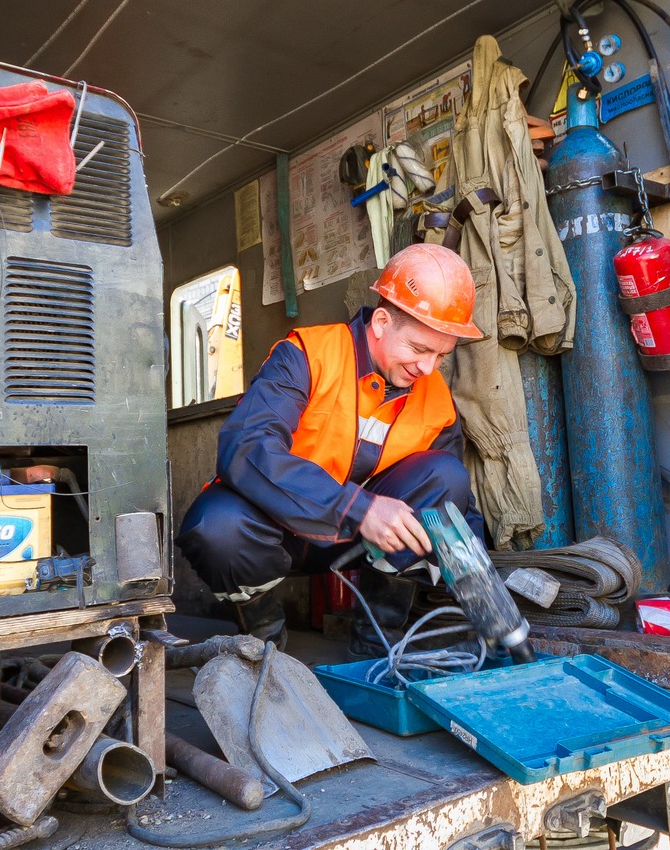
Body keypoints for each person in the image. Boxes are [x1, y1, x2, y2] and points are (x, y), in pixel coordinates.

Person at [176, 243, 487, 644]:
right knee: (215, 527)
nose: (427, 367)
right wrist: (359, 509)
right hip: (277, 528)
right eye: (418, 348)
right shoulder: (306, 355)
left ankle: (379, 641)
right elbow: (245, 447)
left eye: (441, 355)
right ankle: (263, 643)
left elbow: (453, 500)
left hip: (363, 541)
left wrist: (479, 577)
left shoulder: (435, 396)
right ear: (380, 322)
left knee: (447, 476)